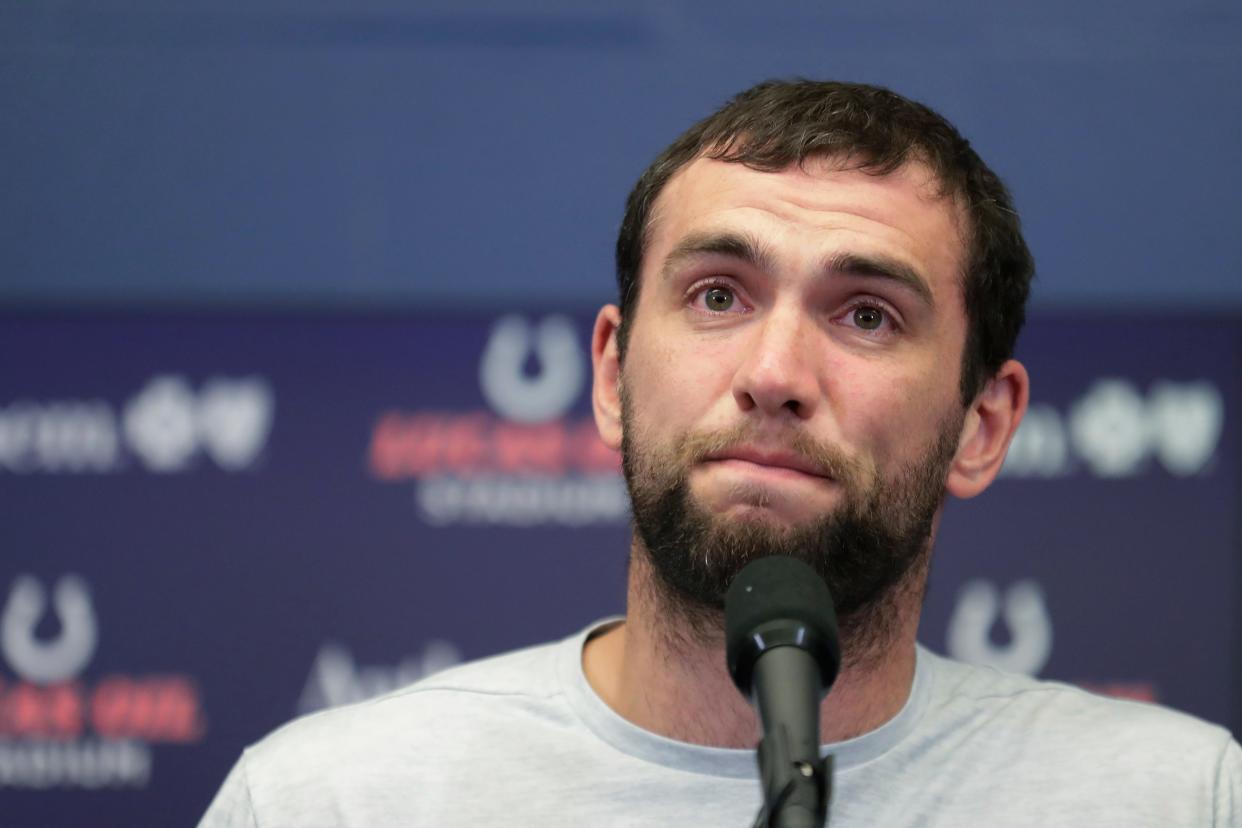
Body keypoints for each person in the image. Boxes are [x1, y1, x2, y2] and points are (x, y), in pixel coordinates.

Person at [200, 79, 1241, 826]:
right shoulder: (332, 802)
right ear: (611, 376)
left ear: (983, 426)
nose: (775, 370)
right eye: (716, 296)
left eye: (868, 316)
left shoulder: (1179, 800)